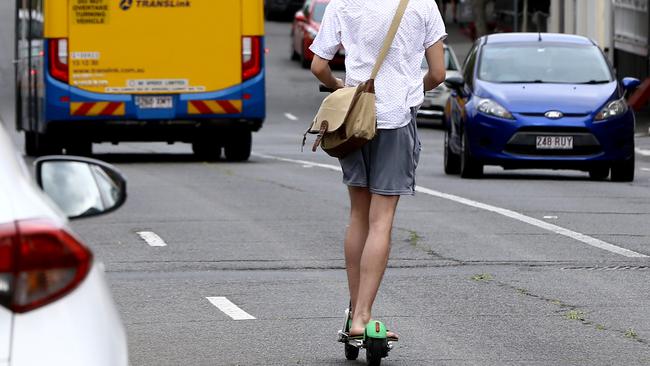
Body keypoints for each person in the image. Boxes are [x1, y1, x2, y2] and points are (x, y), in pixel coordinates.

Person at [309, 0, 446, 338]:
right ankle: (363, 317)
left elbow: (318, 66)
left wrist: (342, 87)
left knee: (358, 215)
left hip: (354, 120)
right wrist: (411, 91)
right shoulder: (423, 4)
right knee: (381, 221)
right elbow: (439, 74)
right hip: (396, 119)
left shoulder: (343, 3)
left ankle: (354, 312)